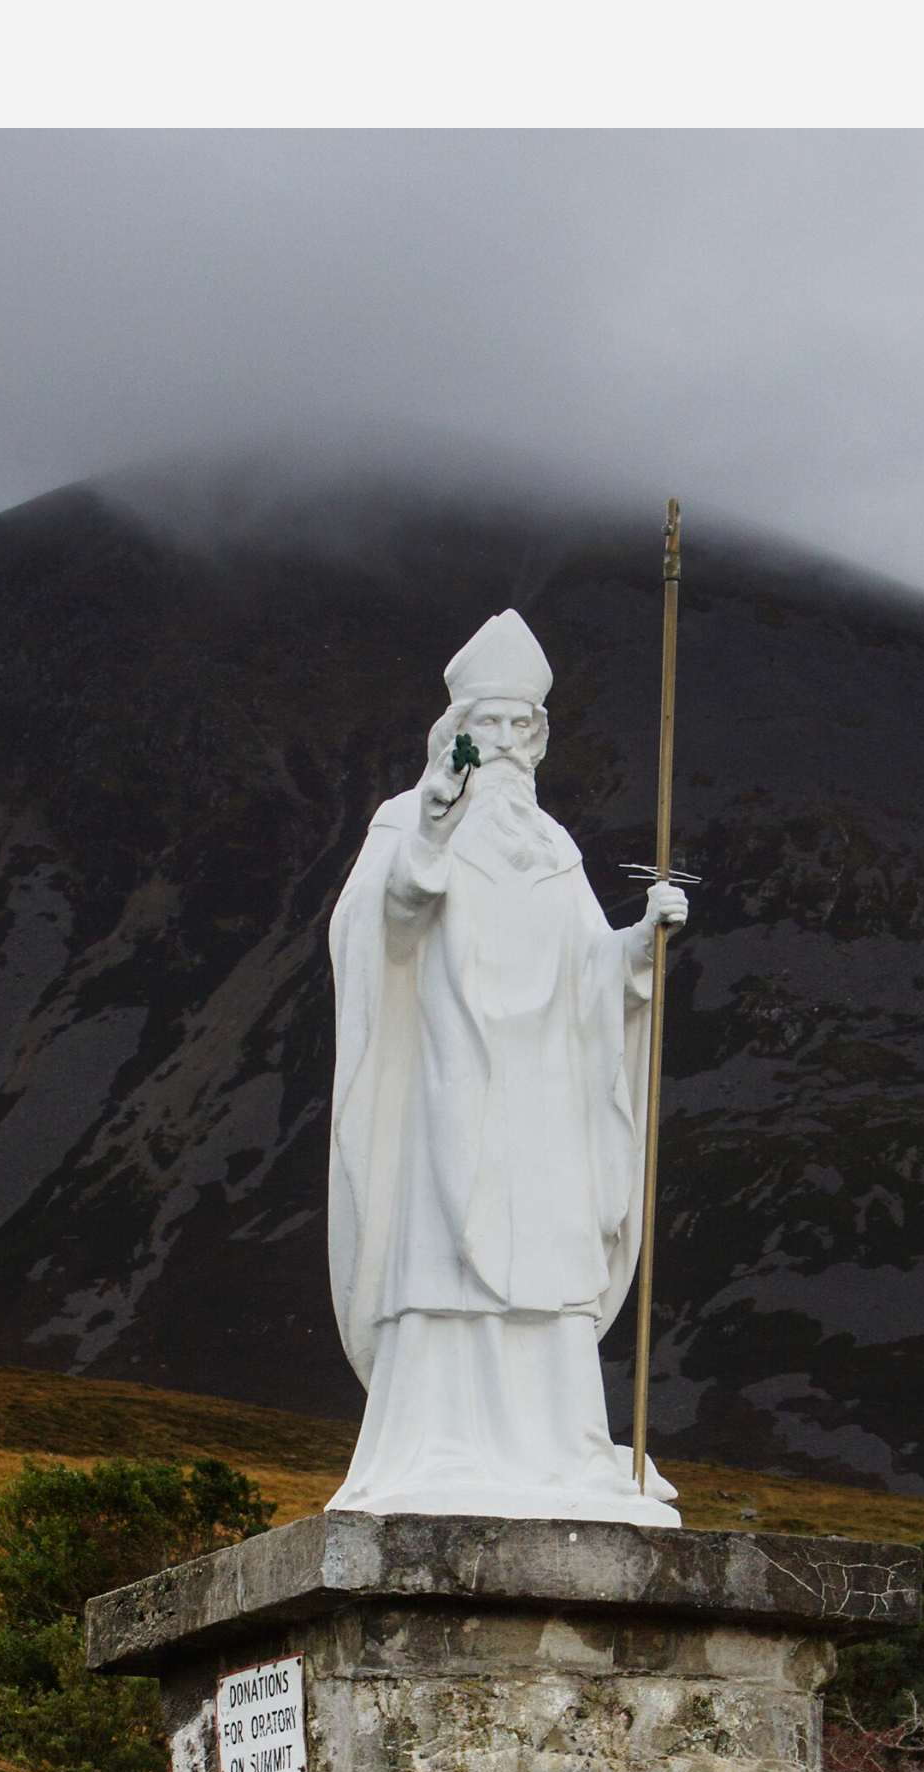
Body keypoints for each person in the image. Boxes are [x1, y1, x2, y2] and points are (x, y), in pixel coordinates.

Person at [323, 609, 693, 1523]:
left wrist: (642, 945)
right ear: (453, 735)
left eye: (520, 728)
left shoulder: (555, 848)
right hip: (453, 1083)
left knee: (552, 1263)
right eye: (486, 726)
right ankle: (443, 1444)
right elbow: (385, 933)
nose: (505, 745)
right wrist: (434, 837)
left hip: (544, 1100)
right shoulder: (407, 823)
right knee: (452, 1256)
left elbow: (588, 972)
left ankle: (564, 1453)